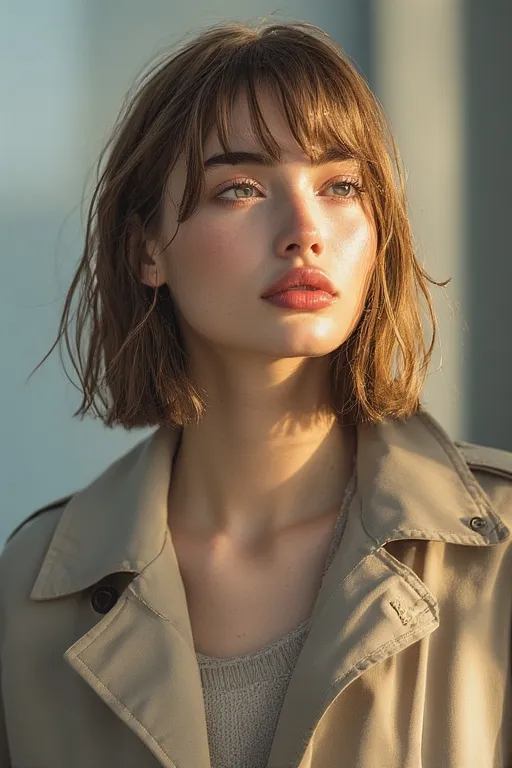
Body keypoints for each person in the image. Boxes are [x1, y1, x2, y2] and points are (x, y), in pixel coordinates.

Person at [0, 18, 511, 768]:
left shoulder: (497, 553)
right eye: (239, 188)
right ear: (147, 249)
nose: (305, 230)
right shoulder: (34, 590)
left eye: (340, 186)